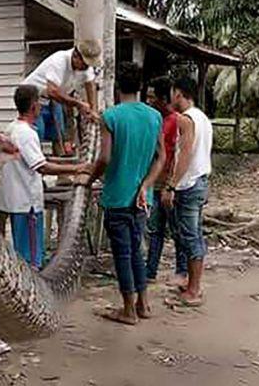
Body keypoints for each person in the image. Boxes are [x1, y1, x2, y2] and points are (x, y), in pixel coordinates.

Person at [86, 62, 166, 325]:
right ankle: (143, 304)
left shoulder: (111, 116)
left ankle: (128, 309)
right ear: (141, 87)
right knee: (136, 250)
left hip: (117, 196)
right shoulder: (154, 116)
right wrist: (146, 185)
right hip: (143, 198)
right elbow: (160, 158)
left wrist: (90, 179)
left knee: (122, 253)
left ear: (118, 87)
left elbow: (105, 158)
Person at [0, 85, 91, 268]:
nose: (41, 107)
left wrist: (69, 165)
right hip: (27, 203)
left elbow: (38, 160)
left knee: (22, 253)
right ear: (33, 106)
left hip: (14, 200)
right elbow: (42, 167)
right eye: (39, 104)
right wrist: (77, 168)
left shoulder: (12, 128)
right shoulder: (26, 133)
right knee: (31, 259)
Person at [162, 76, 213, 307]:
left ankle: (194, 289)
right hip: (200, 180)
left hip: (189, 184)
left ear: (179, 94)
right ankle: (191, 282)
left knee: (191, 236)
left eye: (172, 93)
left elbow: (186, 154)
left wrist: (171, 185)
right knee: (191, 234)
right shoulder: (202, 117)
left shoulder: (186, 119)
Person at [145, 78, 188, 285]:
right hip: (155, 182)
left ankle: (182, 270)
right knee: (155, 230)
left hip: (168, 184)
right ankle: (150, 270)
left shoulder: (175, 121)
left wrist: (170, 184)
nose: (148, 100)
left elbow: (175, 155)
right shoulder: (154, 119)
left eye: (152, 97)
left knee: (175, 229)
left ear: (163, 99)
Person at [23, 43, 101, 153]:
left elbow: (90, 84)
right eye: (84, 64)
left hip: (53, 99)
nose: (86, 67)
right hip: (33, 98)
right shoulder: (59, 61)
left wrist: (93, 110)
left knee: (59, 134)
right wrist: (78, 104)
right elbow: (52, 91)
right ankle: (37, 163)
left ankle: (59, 161)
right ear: (75, 56)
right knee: (37, 133)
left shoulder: (85, 67)